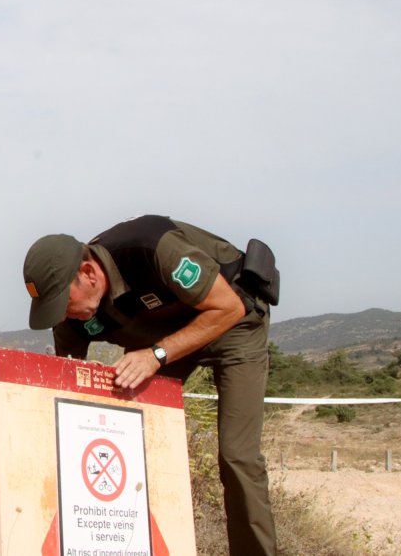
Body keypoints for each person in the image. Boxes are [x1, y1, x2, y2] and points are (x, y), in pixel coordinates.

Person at [22, 215, 279, 555]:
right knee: (126, 437)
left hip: (232, 324)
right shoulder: (71, 318)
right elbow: (68, 392)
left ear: (88, 273)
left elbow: (228, 307)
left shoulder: (150, 248)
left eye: (63, 303)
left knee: (237, 455)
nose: (63, 316)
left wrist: (156, 355)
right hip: (166, 340)